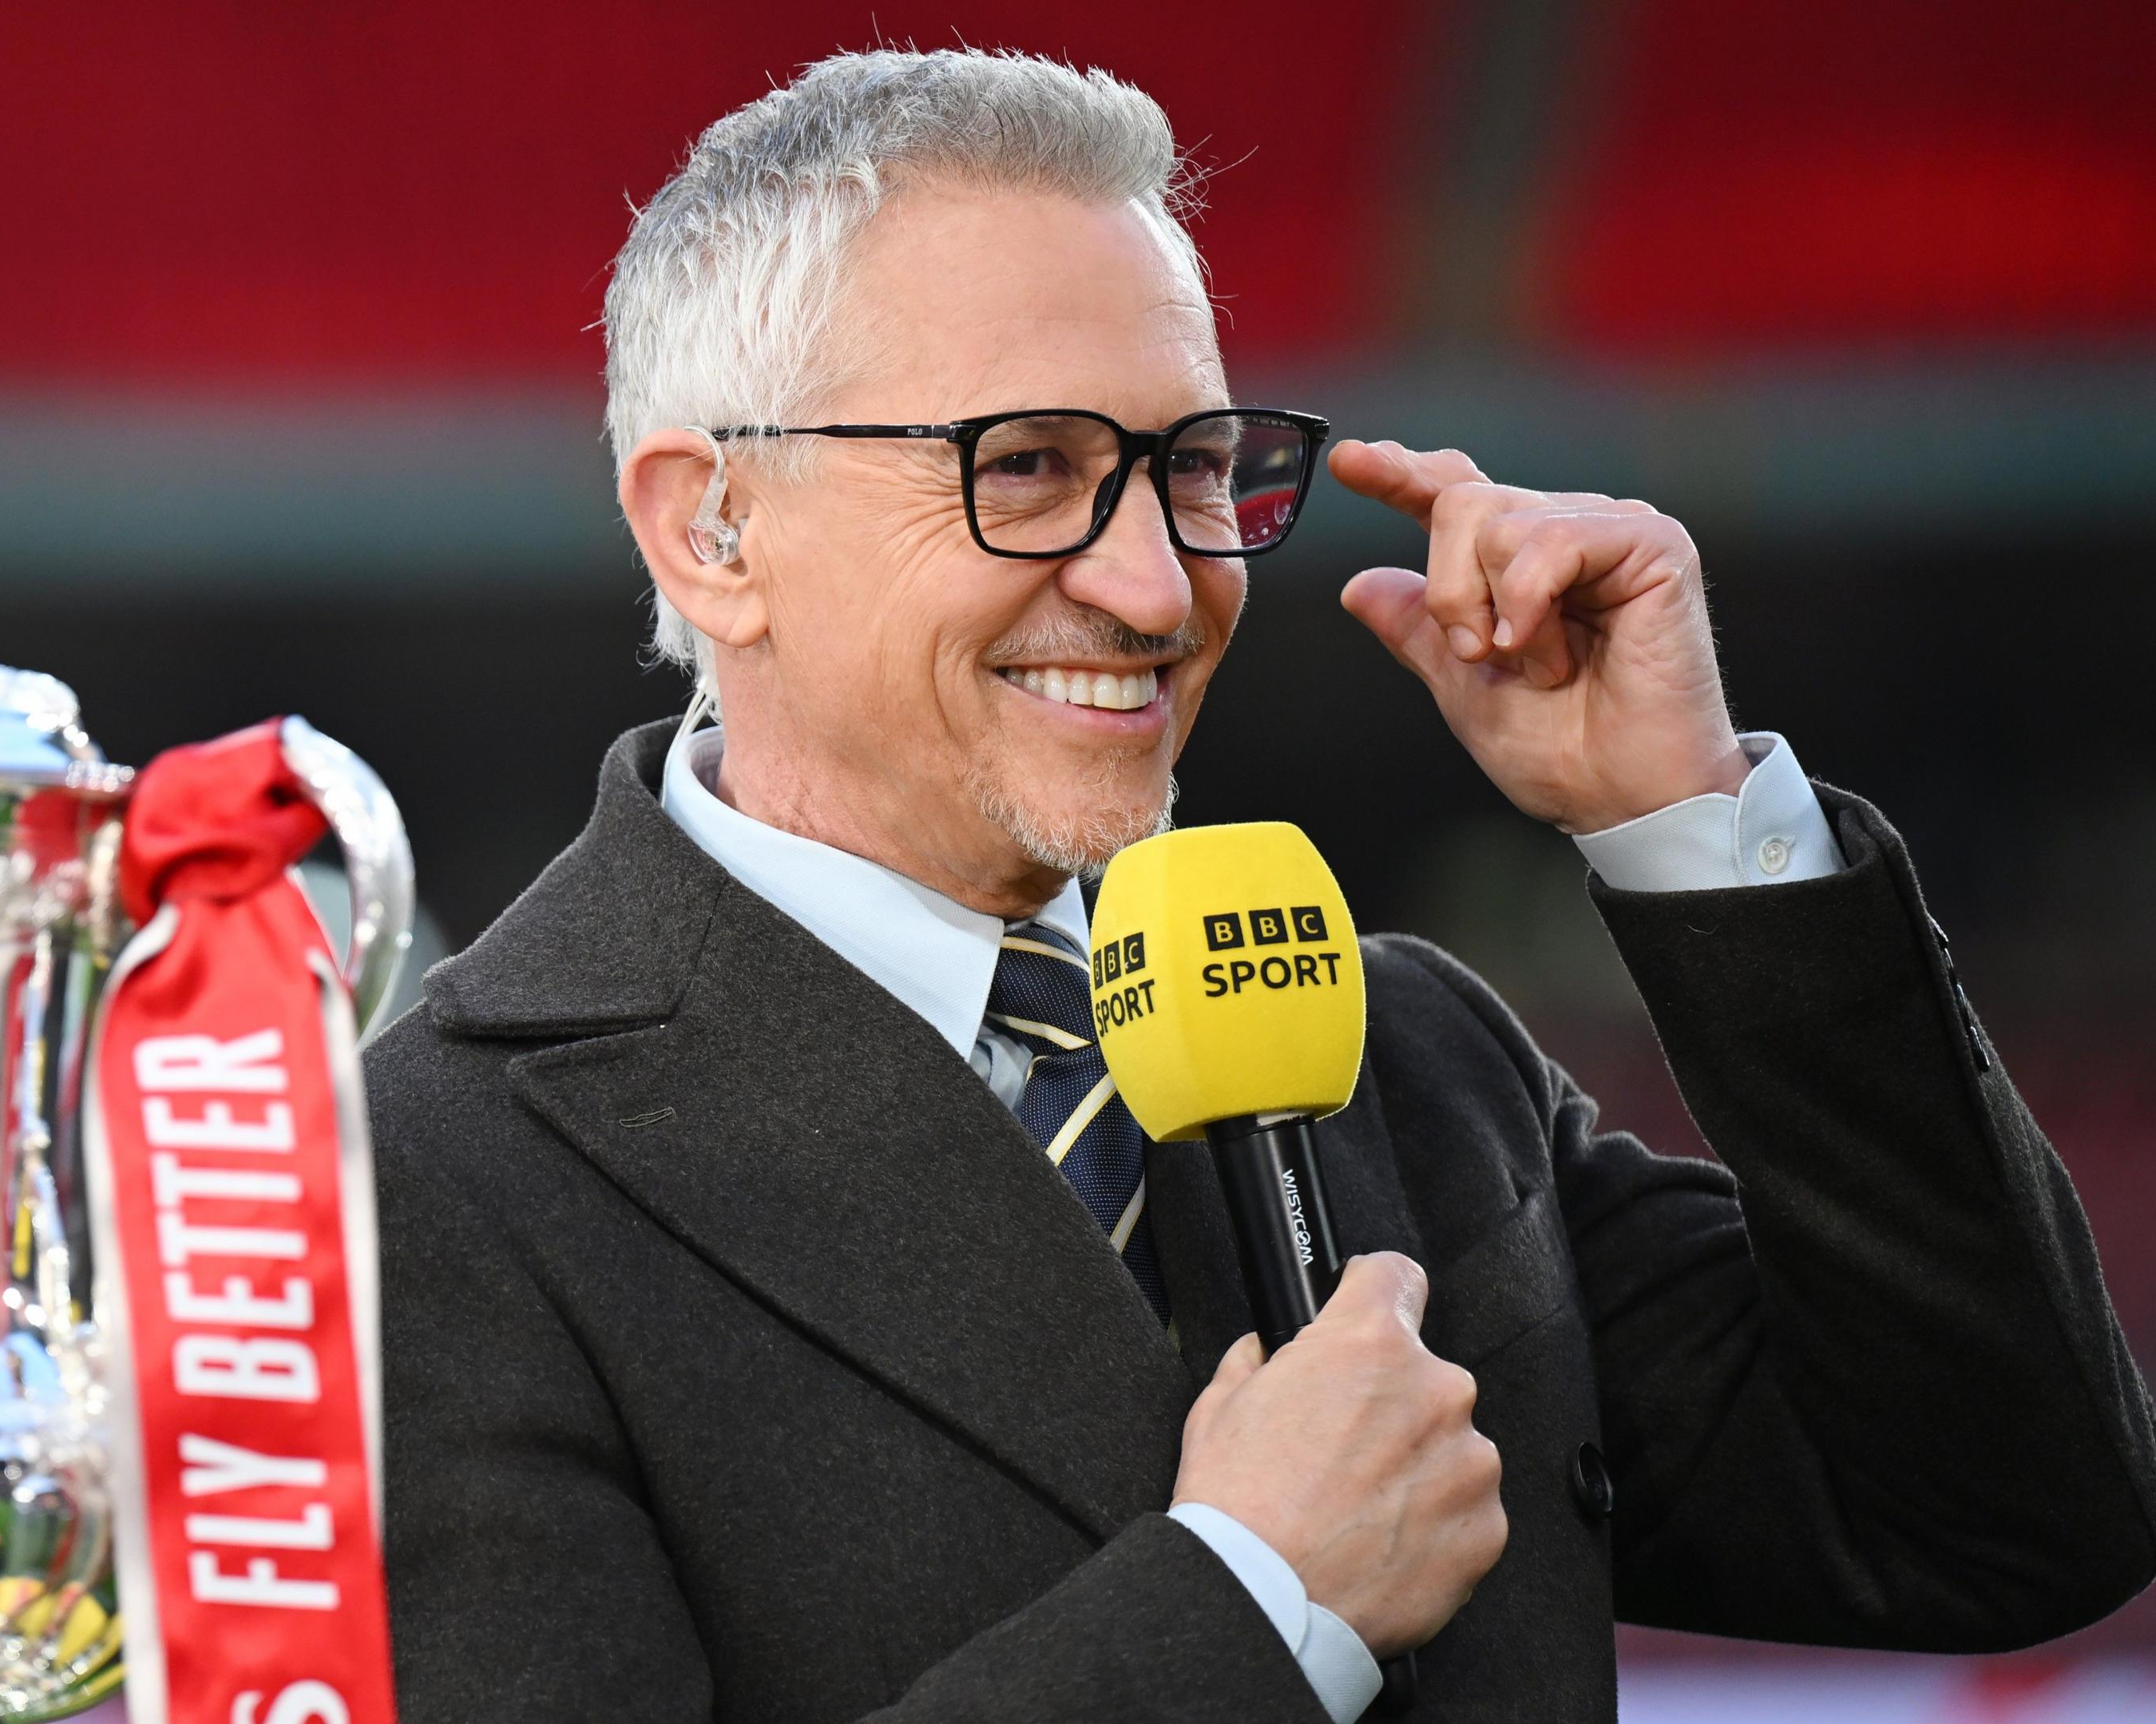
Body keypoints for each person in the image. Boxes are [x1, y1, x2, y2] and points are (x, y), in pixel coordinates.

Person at [363, 48, 2156, 1722]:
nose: (1158, 589)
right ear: (713, 530)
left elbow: (2015, 1512)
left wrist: (1690, 829)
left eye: (1196, 468)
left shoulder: (1408, 1051)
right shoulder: (428, 1187)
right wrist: (1255, 1604)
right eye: (1035, 471)